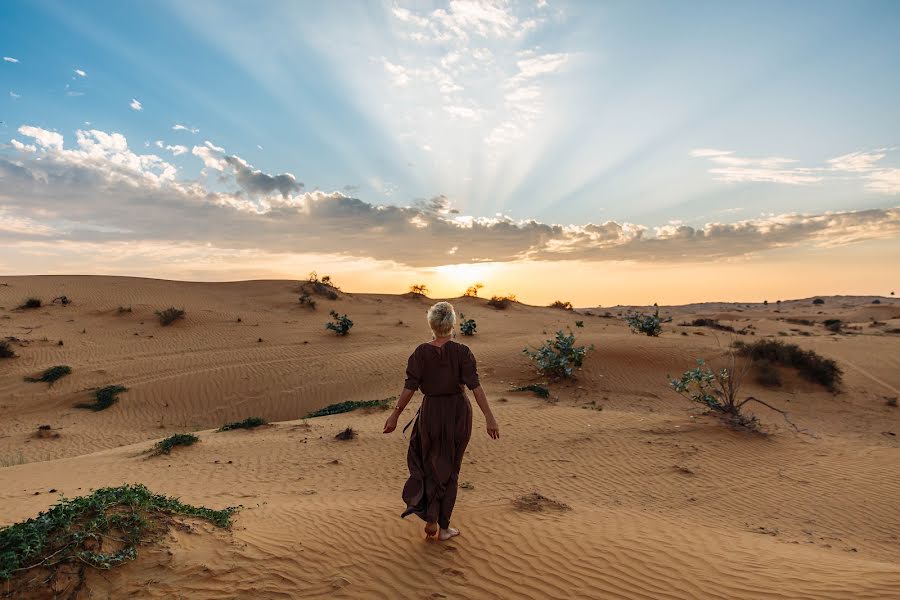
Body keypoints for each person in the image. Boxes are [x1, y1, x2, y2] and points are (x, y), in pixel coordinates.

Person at [383, 301, 500, 541]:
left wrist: (395, 414)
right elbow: (475, 387)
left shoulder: (420, 352)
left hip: (431, 413)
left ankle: (431, 519)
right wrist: (490, 417)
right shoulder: (462, 352)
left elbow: (409, 387)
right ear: (452, 323)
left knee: (429, 464)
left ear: (432, 324)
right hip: (457, 413)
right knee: (451, 468)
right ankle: (443, 527)